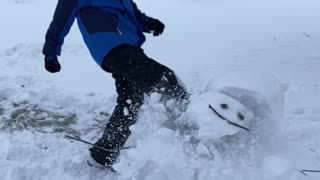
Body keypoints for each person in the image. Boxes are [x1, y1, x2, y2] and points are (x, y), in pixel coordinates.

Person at [43, 0, 189, 168]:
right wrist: (50, 55)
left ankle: (102, 154)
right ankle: (197, 122)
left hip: (128, 45)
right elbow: (60, 22)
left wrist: (148, 23)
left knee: (131, 99)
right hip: (109, 45)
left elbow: (133, 15)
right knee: (163, 78)